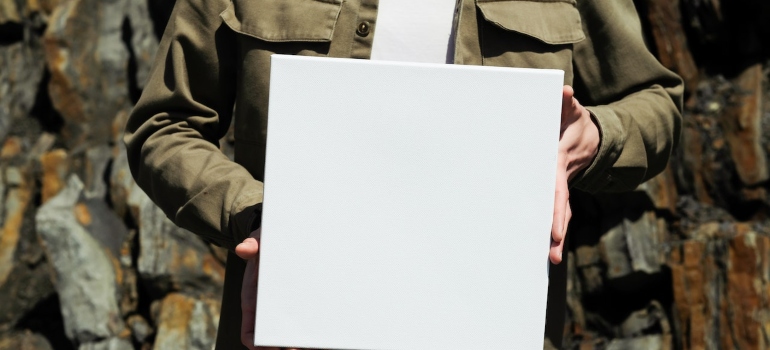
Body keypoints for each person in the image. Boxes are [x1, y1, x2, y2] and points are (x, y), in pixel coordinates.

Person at [124, 0, 683, 348]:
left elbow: (655, 104)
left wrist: (591, 139)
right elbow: (163, 125)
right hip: (296, 330)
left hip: (493, 330)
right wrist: (261, 216)